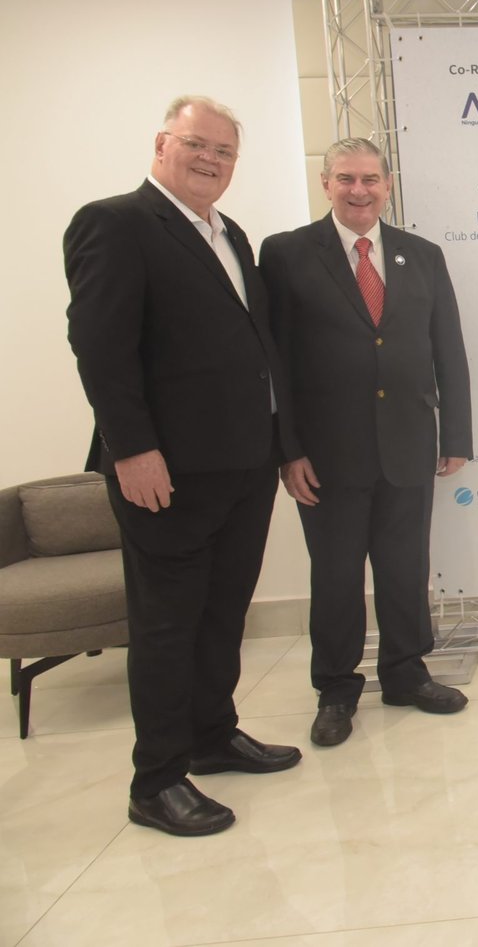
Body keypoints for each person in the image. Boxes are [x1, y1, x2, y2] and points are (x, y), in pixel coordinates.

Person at [64, 96, 302, 837]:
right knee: (167, 625)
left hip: (244, 463)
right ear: (162, 143)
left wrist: (283, 445)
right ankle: (158, 780)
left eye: (225, 151)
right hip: (165, 471)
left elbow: (256, 346)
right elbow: (100, 347)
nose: (211, 160)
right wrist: (132, 449)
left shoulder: (229, 233)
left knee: (222, 612)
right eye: (197, 144)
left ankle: (212, 734)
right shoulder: (116, 223)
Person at [259, 138, 473, 748]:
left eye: (371, 179)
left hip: (409, 441)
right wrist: (287, 450)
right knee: (335, 576)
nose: (360, 191)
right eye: (347, 179)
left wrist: (456, 433)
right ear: (325, 183)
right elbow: (274, 360)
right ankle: (335, 688)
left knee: (405, 568)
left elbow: (447, 347)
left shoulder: (422, 255)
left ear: (387, 185)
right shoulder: (286, 254)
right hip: (326, 455)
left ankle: (406, 673)